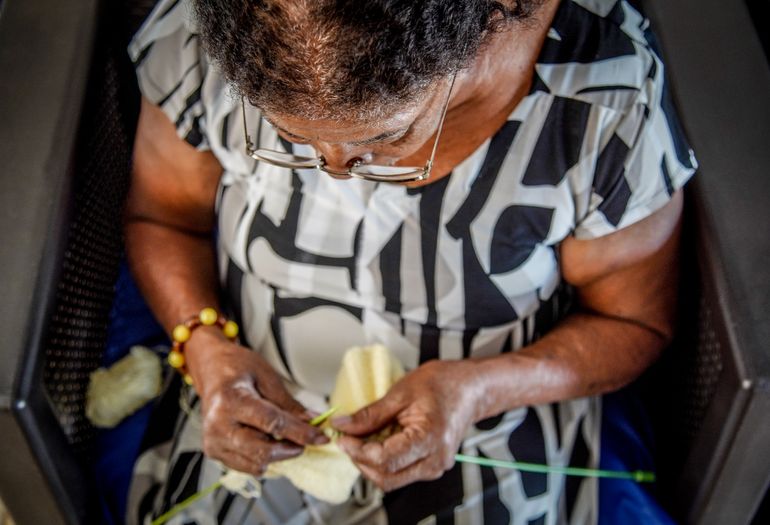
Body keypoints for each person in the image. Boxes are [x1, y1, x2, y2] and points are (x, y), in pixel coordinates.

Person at [124, 0, 697, 523]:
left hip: (485, 423)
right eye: (286, 134)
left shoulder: (602, 107)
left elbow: (632, 322)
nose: (336, 170)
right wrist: (204, 345)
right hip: (246, 399)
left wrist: (477, 390)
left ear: (487, 25)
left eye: (387, 136)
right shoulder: (202, 39)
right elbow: (164, 219)